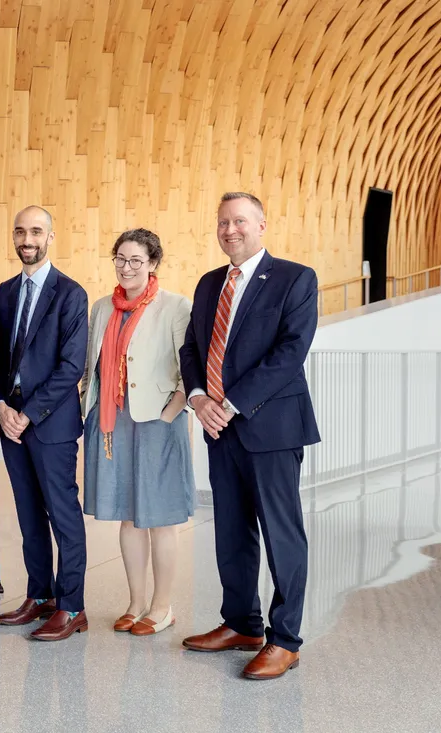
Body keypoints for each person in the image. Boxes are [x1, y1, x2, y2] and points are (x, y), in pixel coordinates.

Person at [178, 192, 320, 680]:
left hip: (270, 426)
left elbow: (290, 351)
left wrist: (231, 404)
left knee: (282, 534)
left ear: (262, 223)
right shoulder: (208, 283)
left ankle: (286, 640)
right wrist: (199, 399)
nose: (230, 229)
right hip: (219, 428)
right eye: (222, 222)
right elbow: (192, 347)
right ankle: (241, 623)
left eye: (240, 220)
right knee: (231, 532)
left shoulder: (295, 278)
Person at [82, 228, 195, 637]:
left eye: (136, 261)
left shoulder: (175, 306)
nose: (126, 268)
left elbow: (190, 367)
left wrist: (170, 413)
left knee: (161, 518)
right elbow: (90, 368)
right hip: (113, 422)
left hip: (157, 422)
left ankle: (162, 607)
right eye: (120, 259)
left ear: (152, 265)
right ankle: (134, 602)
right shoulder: (101, 308)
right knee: (128, 517)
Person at [0, 206, 89, 641]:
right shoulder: (5, 293)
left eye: (35, 231)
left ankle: (71, 606)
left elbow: (72, 367)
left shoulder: (71, 294)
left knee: (62, 516)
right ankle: (40, 595)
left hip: (50, 425)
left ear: (50, 236)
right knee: (29, 516)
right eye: (19, 231)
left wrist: (28, 413)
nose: (26, 239)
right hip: (11, 424)